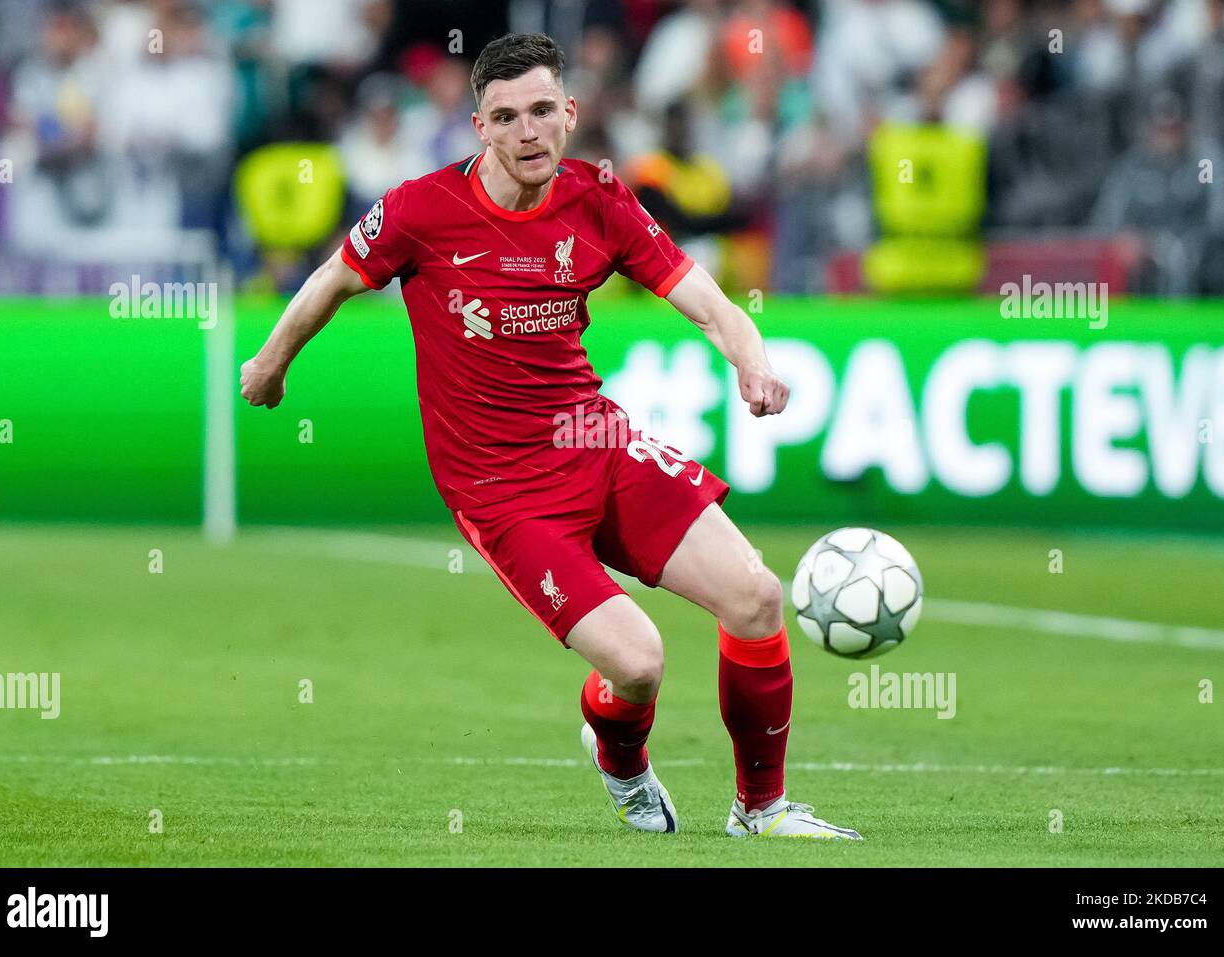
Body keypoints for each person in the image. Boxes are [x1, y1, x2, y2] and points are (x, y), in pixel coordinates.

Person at [240, 32, 861, 840]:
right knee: (637, 664)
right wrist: (270, 362)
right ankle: (620, 758)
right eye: (506, 117)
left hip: (595, 441)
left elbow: (704, 298)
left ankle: (761, 810)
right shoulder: (422, 211)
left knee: (755, 597)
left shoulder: (599, 199)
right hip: (501, 490)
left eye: (541, 111)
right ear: (479, 128)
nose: (527, 131)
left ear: (569, 115)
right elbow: (331, 280)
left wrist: (752, 361)